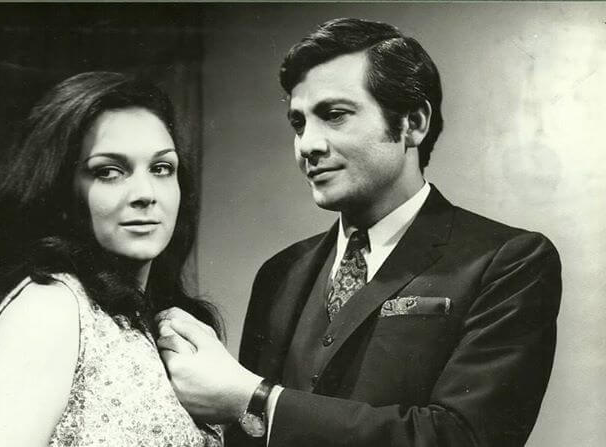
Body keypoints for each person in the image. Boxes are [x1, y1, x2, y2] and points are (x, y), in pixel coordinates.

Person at [155, 18, 562, 447]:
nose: (308, 145)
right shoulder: (280, 272)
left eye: (334, 115)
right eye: (298, 123)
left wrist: (257, 399)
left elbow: (462, 437)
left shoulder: (510, 261)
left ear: (413, 123)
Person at [0, 72, 222, 447]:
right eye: (109, 172)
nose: (146, 193)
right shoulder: (49, 305)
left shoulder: (148, 321)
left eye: (162, 168)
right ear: (60, 192)